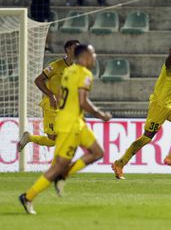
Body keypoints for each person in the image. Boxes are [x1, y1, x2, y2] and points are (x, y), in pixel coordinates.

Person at [19, 44, 112, 215]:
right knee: (58, 166)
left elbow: (64, 95)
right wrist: (100, 115)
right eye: (92, 54)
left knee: (97, 152)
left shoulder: (69, 72)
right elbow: (83, 101)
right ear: (84, 57)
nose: (95, 57)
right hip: (69, 124)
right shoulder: (85, 74)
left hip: (75, 121)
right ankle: (28, 196)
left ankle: (64, 175)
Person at [111, 39, 171, 179]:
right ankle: (120, 163)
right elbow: (169, 65)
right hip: (159, 106)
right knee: (147, 138)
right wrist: (169, 56)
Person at [17, 40, 80, 152]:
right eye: (75, 48)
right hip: (51, 106)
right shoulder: (55, 65)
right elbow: (38, 80)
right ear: (68, 50)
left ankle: (29, 138)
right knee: (52, 140)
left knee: (57, 140)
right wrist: (51, 95)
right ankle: (29, 138)